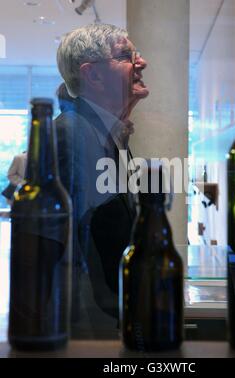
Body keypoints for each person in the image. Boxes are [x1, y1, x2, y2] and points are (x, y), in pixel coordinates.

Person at [55, 23, 149, 336]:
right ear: (93, 75)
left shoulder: (106, 132)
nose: (141, 62)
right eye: (127, 55)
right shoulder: (71, 134)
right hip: (92, 327)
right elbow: (76, 250)